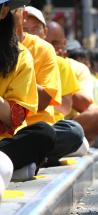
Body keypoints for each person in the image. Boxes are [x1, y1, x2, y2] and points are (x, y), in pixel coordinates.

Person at [22, 6, 86, 166]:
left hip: (44, 128)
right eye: (25, 28)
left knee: (73, 132)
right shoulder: (10, 51)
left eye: (35, 28)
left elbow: (63, 106)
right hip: (13, 128)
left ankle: (30, 156)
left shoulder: (51, 56)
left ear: (45, 32)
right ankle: (33, 157)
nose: (30, 33)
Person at [0, 0, 56, 181]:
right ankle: (13, 167)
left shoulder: (21, 56)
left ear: (3, 12)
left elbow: (14, 117)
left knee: (44, 133)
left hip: (4, 141)